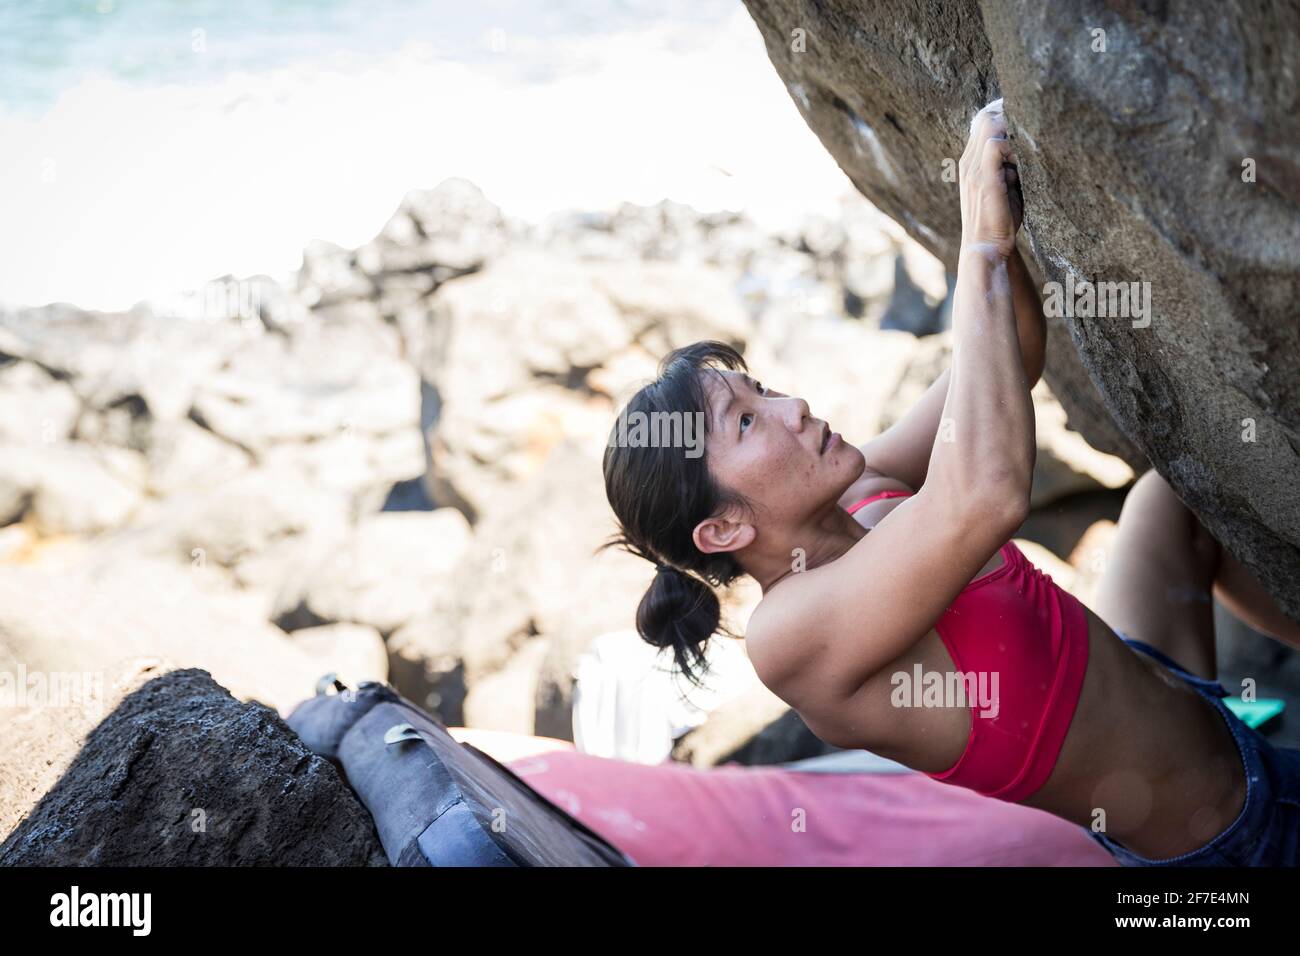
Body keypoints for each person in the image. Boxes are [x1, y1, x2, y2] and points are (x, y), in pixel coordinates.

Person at [600, 99, 1300, 866]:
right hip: (1231, 836)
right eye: (746, 422)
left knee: (1167, 506)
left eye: (763, 390)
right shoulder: (789, 637)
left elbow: (1011, 357)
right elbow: (987, 495)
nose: (792, 406)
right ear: (725, 530)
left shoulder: (860, 490)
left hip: (1176, 692)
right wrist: (981, 247)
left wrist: (987, 190)